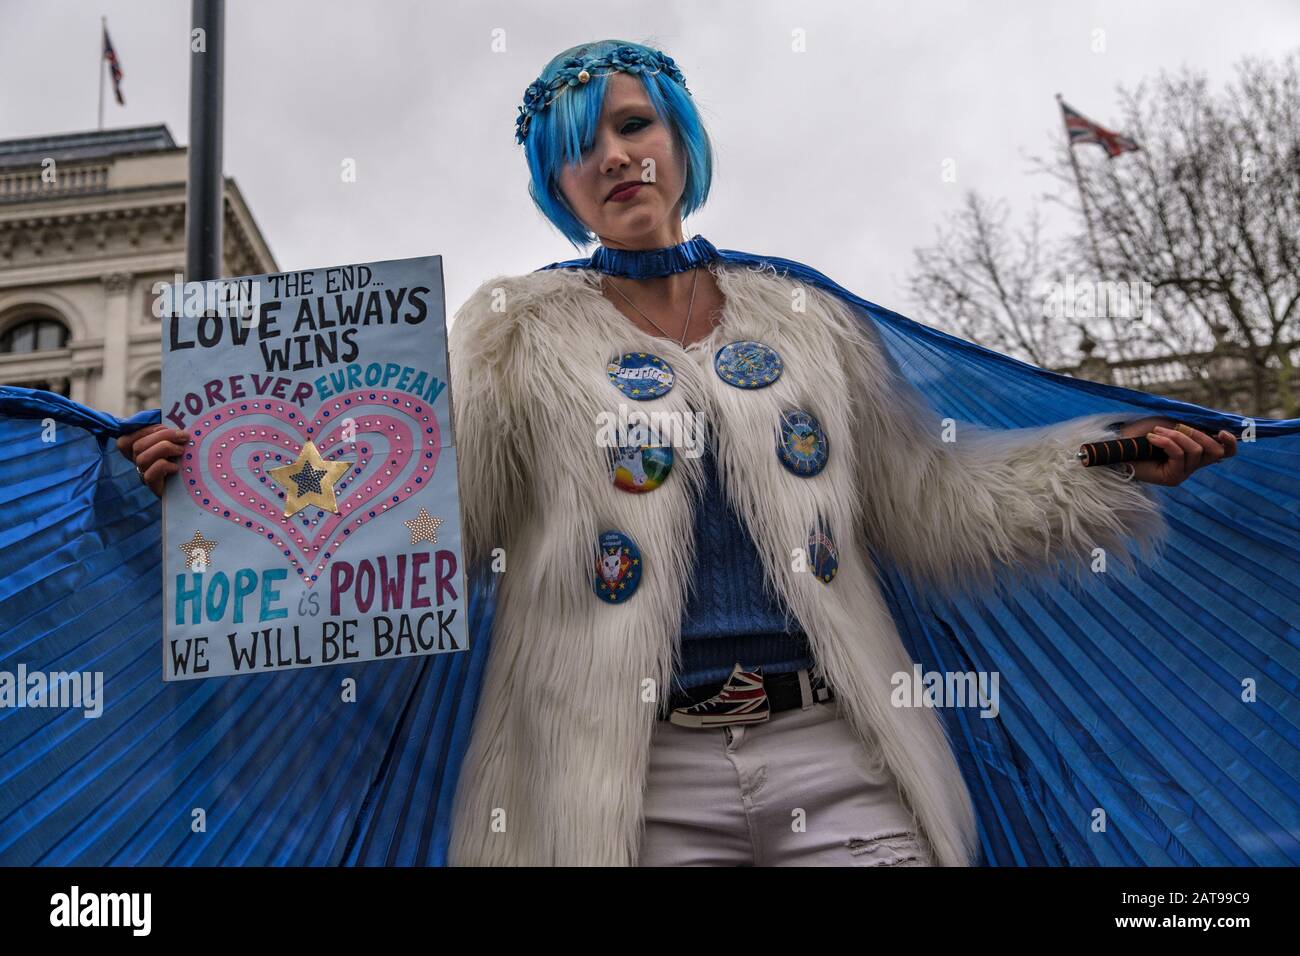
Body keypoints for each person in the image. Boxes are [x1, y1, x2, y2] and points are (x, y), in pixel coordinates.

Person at [116, 39, 1238, 867]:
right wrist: (201, 488)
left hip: (838, 754)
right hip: (616, 781)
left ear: (680, 141)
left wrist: (1107, 463)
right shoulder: (514, 340)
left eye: (634, 126)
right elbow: (412, 529)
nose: (613, 156)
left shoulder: (807, 319)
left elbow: (929, 502)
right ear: (556, 185)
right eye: (580, 149)